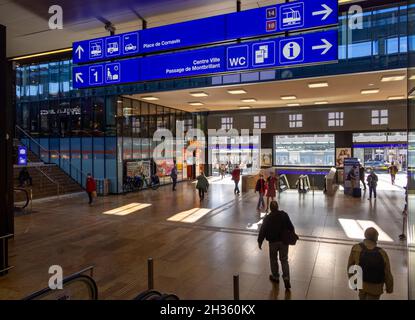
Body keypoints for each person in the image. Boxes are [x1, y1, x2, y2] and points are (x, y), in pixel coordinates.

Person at [347, 227, 393, 300]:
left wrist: (353, 284)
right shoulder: (382, 253)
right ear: (376, 239)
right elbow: (387, 272)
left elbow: (350, 267)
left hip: (361, 284)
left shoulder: (356, 248)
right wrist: (389, 288)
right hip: (376, 287)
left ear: (365, 235)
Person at [258, 201, 295, 290]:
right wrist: (292, 235)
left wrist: (260, 241)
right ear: (278, 207)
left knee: (273, 259)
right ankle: (286, 278)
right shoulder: (284, 215)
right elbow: (291, 227)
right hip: (284, 242)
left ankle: (275, 277)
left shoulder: (267, 218)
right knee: (284, 260)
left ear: (270, 208)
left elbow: (262, 230)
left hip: (273, 242)